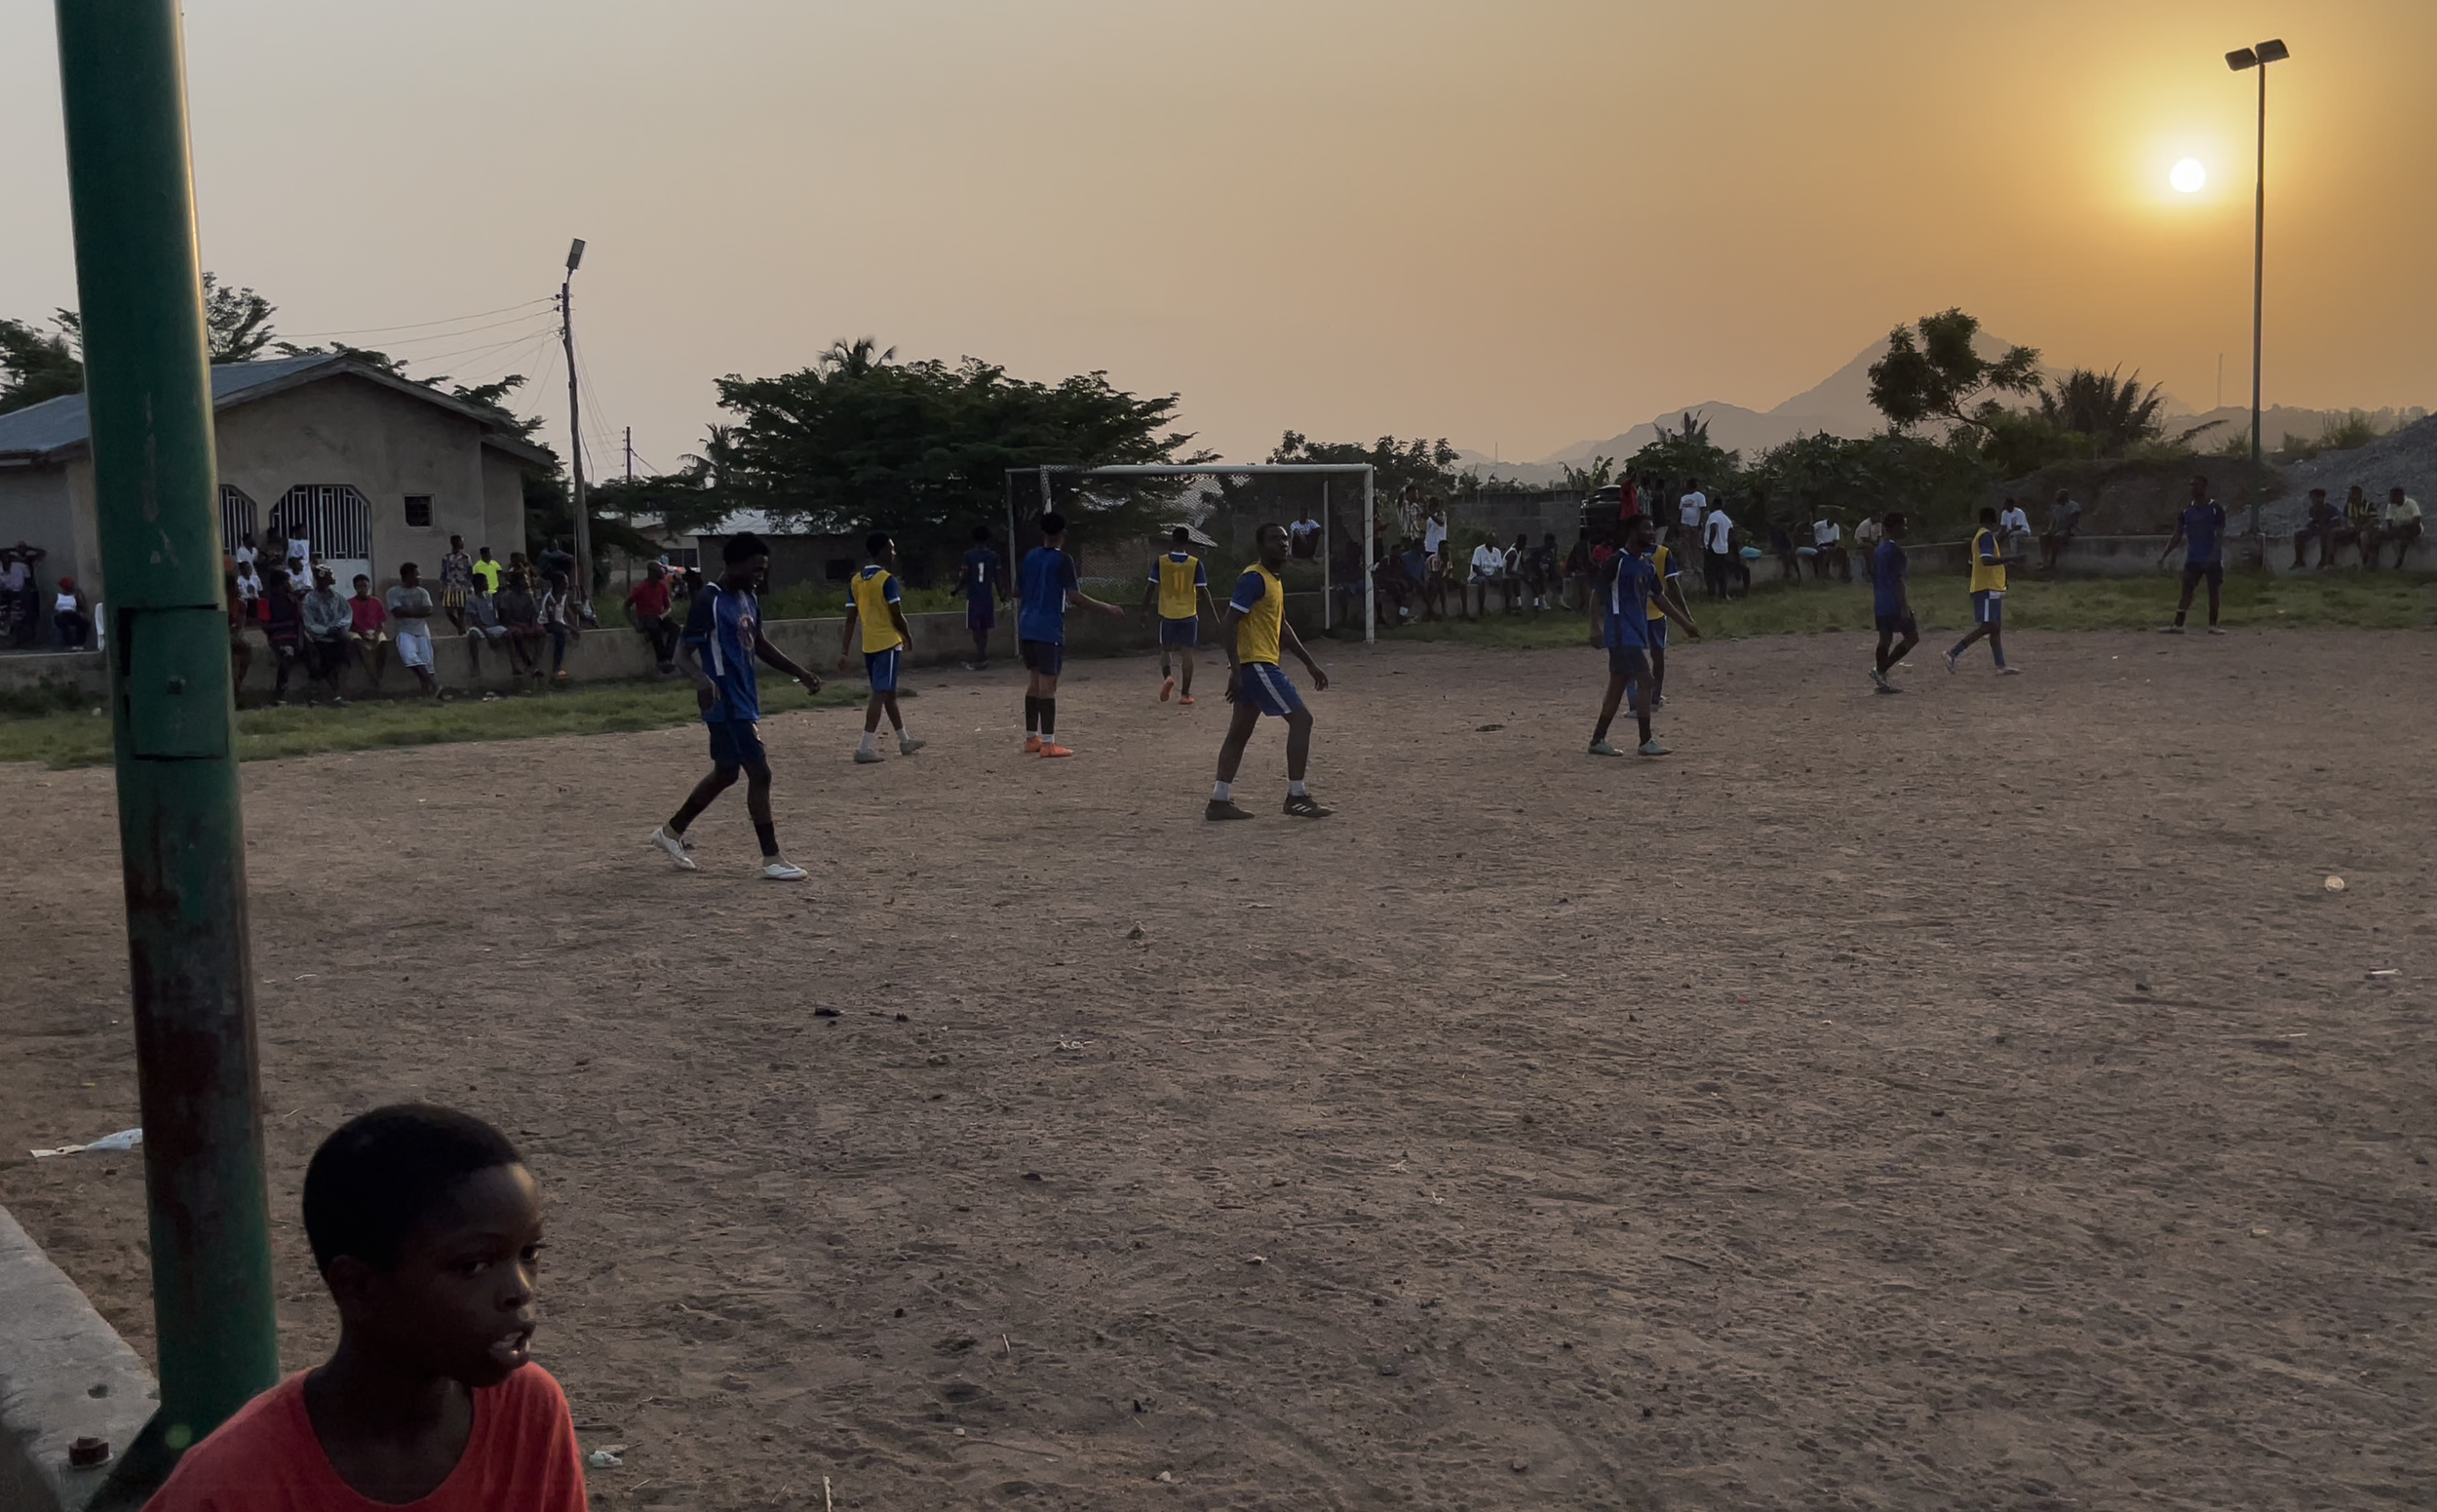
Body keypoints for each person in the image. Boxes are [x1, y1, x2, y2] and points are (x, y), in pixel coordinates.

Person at [138, 1104, 589, 1512]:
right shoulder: (232, 1485)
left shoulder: (529, 1410)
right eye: (472, 1265)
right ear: (357, 1286)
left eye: (529, 1253)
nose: (519, 1289)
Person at [650, 531, 825, 879]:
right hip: (725, 701)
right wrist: (702, 680)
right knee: (760, 773)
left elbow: (758, 643)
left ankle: (670, 832)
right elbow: (680, 653)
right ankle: (772, 858)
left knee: (727, 773)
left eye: (764, 569)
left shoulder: (748, 598)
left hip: (743, 697)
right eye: (756, 568)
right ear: (733, 564)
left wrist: (799, 672)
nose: (761, 575)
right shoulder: (708, 601)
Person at [1205, 522, 1332, 820]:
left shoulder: (1273, 581)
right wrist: (1235, 669)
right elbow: (1228, 622)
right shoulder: (1254, 579)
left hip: (1257, 664)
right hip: (1256, 664)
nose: (1283, 544)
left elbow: (1282, 628)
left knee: (1239, 732)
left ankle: (1219, 800)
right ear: (1260, 546)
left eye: (1285, 539)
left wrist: (1309, 663)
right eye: (1275, 539)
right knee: (1302, 720)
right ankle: (1296, 796)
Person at [1590, 512, 1701, 757]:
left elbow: (1660, 599)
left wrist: (1686, 624)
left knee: (1617, 686)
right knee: (1647, 681)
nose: (1651, 533)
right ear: (1632, 532)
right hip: (1621, 632)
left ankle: (1598, 740)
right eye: (1646, 529)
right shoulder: (1617, 561)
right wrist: (1595, 626)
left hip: (1634, 633)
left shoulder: (1647, 565)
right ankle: (1645, 740)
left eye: (1652, 529)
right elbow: (1597, 593)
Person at [1014, 512, 1125, 758]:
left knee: (1033, 682)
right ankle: (1050, 743)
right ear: (1062, 534)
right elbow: (1075, 597)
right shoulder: (1063, 560)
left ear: (1043, 533)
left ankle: (1032, 737)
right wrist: (1107, 607)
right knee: (1047, 685)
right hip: (1048, 627)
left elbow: (1016, 591)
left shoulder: (1029, 557)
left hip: (1026, 625)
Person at [836, 531, 923, 763]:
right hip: (887, 642)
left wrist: (844, 651)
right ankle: (864, 747)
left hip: (870, 645)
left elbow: (850, 618)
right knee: (880, 694)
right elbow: (896, 614)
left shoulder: (856, 580)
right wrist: (907, 635)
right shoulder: (887, 580)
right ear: (883, 551)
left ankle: (905, 740)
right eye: (892, 548)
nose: (894, 553)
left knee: (888, 694)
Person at [1141, 525, 1216, 705]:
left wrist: (1143, 610)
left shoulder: (1161, 561)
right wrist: (1214, 615)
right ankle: (1185, 694)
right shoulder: (1195, 563)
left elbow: (1151, 587)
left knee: (1166, 650)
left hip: (1168, 613)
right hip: (1189, 614)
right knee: (1187, 654)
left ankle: (1168, 677)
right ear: (1188, 542)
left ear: (1172, 540)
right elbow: (1204, 591)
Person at [1945, 506, 2022, 676]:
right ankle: (1953, 652)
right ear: (1993, 521)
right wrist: (2011, 558)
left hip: (1990, 587)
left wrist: (2004, 563)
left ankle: (2000, 665)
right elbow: (1987, 561)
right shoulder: (1986, 536)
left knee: (1995, 627)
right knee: (1988, 626)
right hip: (1986, 587)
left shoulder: (1982, 536)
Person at [2159, 475, 2228, 635]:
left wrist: (2214, 554)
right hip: (2194, 558)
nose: (2192, 489)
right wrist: (2165, 554)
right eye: (2191, 486)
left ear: (2205, 487)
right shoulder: (2186, 512)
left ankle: (2213, 624)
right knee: (2186, 592)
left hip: (2212, 559)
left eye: (2195, 485)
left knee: (2214, 591)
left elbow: (2220, 534)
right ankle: (2178, 624)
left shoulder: (2216, 509)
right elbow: (2177, 535)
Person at [1869, 511, 1918, 693]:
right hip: (1893, 601)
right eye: (1903, 525)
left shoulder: (1879, 549)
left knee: (1885, 638)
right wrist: (1904, 607)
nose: (1905, 529)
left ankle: (1881, 679)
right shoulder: (1896, 551)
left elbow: (1874, 574)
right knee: (1912, 637)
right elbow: (1898, 581)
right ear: (1896, 528)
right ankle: (1881, 670)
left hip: (1880, 599)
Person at [1641, 526, 1687, 709]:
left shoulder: (1628, 555)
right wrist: (1685, 613)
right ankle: (1654, 696)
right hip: (1655, 613)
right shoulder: (1662, 553)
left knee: (1637, 658)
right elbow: (1673, 585)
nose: (1651, 533)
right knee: (1657, 656)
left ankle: (1642, 698)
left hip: (1641, 613)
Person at [387, 562, 445, 698]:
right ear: (406, 576)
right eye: (416, 574)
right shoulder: (393, 592)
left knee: (427, 661)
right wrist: (418, 611)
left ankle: (427, 692)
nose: (419, 577)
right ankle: (435, 685)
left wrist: (408, 610)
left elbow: (428, 610)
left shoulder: (422, 592)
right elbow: (397, 612)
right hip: (404, 631)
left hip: (422, 631)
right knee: (410, 658)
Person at [299, 564, 354, 706]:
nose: (332, 577)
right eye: (329, 575)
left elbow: (347, 614)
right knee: (325, 663)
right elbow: (309, 623)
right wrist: (326, 631)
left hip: (338, 636)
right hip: (320, 638)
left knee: (343, 662)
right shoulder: (309, 600)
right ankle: (331, 695)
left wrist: (339, 628)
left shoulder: (338, 597)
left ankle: (337, 694)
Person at [958, 525, 1006, 670]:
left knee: (975, 627)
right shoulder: (993, 556)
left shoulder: (968, 555)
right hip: (987, 596)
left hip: (973, 596)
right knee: (984, 628)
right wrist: (1001, 595)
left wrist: (956, 590)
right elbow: (997, 578)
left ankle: (980, 654)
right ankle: (982, 654)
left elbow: (965, 577)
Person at [626, 562, 678, 673]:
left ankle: (667, 657)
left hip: (659, 616)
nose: (657, 581)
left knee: (675, 628)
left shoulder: (662, 587)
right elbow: (626, 607)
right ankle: (661, 660)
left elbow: (668, 607)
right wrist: (635, 623)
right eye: (656, 577)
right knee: (654, 629)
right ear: (650, 574)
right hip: (645, 617)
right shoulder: (640, 588)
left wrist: (662, 616)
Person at [497, 570, 546, 685]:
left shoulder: (528, 596)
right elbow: (506, 618)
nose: (526, 582)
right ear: (517, 583)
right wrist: (522, 625)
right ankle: (527, 663)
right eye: (524, 580)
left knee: (541, 632)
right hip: (513, 623)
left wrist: (532, 626)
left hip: (527, 623)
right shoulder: (507, 597)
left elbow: (534, 614)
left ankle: (535, 664)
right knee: (517, 634)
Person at [462, 573, 513, 681]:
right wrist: (488, 635)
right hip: (479, 627)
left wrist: (498, 627)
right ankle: (475, 665)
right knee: (473, 636)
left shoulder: (489, 596)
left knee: (507, 634)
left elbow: (495, 614)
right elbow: (475, 620)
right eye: (485, 582)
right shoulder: (471, 599)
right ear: (479, 584)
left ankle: (513, 664)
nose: (487, 584)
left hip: (492, 625)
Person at [263, 576, 305, 704]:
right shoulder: (266, 601)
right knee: (287, 653)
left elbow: (301, 619)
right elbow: (265, 626)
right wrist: (286, 625)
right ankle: (280, 693)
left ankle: (315, 691)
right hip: (279, 637)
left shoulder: (293, 600)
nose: (289, 585)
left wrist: (297, 602)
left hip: (295, 635)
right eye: (286, 582)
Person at [347, 574, 391, 688]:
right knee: (359, 644)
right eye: (359, 586)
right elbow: (348, 624)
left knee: (384, 645)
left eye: (365, 586)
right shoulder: (349, 603)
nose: (363, 589)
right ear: (355, 588)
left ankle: (379, 673)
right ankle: (374, 677)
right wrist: (362, 634)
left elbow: (381, 622)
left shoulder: (376, 602)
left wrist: (376, 634)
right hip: (356, 631)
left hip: (373, 630)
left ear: (369, 586)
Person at [539, 572, 576, 682]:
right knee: (560, 635)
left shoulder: (563, 595)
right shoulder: (549, 599)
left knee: (562, 630)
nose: (567, 584)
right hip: (547, 624)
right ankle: (556, 669)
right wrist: (570, 628)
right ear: (559, 584)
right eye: (565, 582)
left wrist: (575, 626)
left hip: (560, 623)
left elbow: (567, 611)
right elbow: (552, 620)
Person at [2291, 488, 2340, 569]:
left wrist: (2326, 526)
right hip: (2316, 529)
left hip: (2327, 529)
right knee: (2298, 535)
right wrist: (2313, 526)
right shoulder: (2312, 510)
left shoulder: (2331, 509)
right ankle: (2299, 561)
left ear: (2321, 498)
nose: (2312, 500)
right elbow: (2311, 522)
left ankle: (2323, 560)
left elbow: (2336, 521)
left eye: (2314, 498)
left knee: (2324, 535)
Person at [2379, 486, 2423, 568]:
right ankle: (2372, 559)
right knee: (2379, 534)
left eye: (2392, 497)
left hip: (2413, 527)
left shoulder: (2411, 503)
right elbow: (2389, 521)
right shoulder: (2391, 506)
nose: (2390, 499)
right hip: (2399, 528)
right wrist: (2391, 531)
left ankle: (2400, 560)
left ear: (2399, 496)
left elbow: (2417, 519)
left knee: (2405, 535)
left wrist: (2405, 526)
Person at [438, 535, 475, 634]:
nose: (463, 544)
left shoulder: (466, 557)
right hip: (449, 587)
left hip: (462, 587)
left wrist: (470, 586)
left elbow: (470, 573)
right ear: (456, 543)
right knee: (448, 611)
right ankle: (460, 627)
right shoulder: (446, 557)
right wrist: (441, 589)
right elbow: (443, 573)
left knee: (461, 610)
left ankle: (461, 631)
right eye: (461, 542)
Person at [2041, 489, 2082, 573]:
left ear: (2064, 497)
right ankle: (2044, 561)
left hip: (2070, 529)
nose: (2056, 498)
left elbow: (2072, 521)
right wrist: (2049, 530)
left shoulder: (2074, 506)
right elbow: (2053, 521)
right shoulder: (2056, 507)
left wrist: (2060, 530)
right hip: (2058, 529)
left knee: (2058, 537)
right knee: (2043, 536)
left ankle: (2052, 562)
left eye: (2058, 496)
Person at [1702, 501, 1736, 600]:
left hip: (1713, 548)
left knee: (1710, 572)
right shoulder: (1726, 518)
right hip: (1723, 549)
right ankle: (1723, 593)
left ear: (1714, 505)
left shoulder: (1713, 516)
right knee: (1722, 572)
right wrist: (1727, 544)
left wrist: (1709, 545)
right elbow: (1731, 533)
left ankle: (1712, 594)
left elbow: (1713, 529)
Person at [1467, 537, 1504, 618]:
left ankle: (1507, 608)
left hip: (1491, 576)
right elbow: (1475, 567)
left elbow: (1500, 568)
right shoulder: (1479, 550)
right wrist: (1487, 577)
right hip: (1477, 576)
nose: (1491, 542)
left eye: (1493, 540)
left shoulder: (1497, 551)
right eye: (1490, 540)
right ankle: (1481, 609)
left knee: (1506, 580)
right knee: (1482, 581)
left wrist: (1497, 577)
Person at [2340, 485, 2377, 566]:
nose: (2349, 497)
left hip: (2369, 529)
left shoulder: (2369, 505)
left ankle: (2366, 559)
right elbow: (2344, 521)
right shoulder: (2348, 506)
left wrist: (2361, 527)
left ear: (2358, 495)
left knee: (2363, 536)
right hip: (2356, 529)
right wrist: (2346, 528)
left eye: (2351, 494)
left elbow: (2373, 521)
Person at [1525, 532, 1561, 612]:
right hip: (1536, 571)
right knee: (1543, 576)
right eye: (1551, 542)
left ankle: (1559, 599)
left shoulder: (1550, 553)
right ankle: (1542, 601)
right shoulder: (1539, 551)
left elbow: (1552, 565)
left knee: (1559, 576)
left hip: (1546, 571)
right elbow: (1532, 563)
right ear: (1546, 541)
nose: (1552, 544)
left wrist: (1555, 553)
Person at [53, 576, 92, 649]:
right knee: (63, 622)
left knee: (82, 623)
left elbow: (82, 605)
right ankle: (68, 643)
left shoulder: (76, 593)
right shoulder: (58, 594)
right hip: (62, 615)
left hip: (74, 614)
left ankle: (79, 643)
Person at [1677, 480, 1707, 551]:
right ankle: (1687, 561)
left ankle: (1695, 560)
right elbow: (1680, 511)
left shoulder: (1699, 496)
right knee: (1685, 545)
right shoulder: (1684, 498)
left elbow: (1703, 509)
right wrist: (1678, 523)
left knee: (1695, 544)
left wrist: (1701, 522)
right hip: (1685, 523)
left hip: (1695, 524)